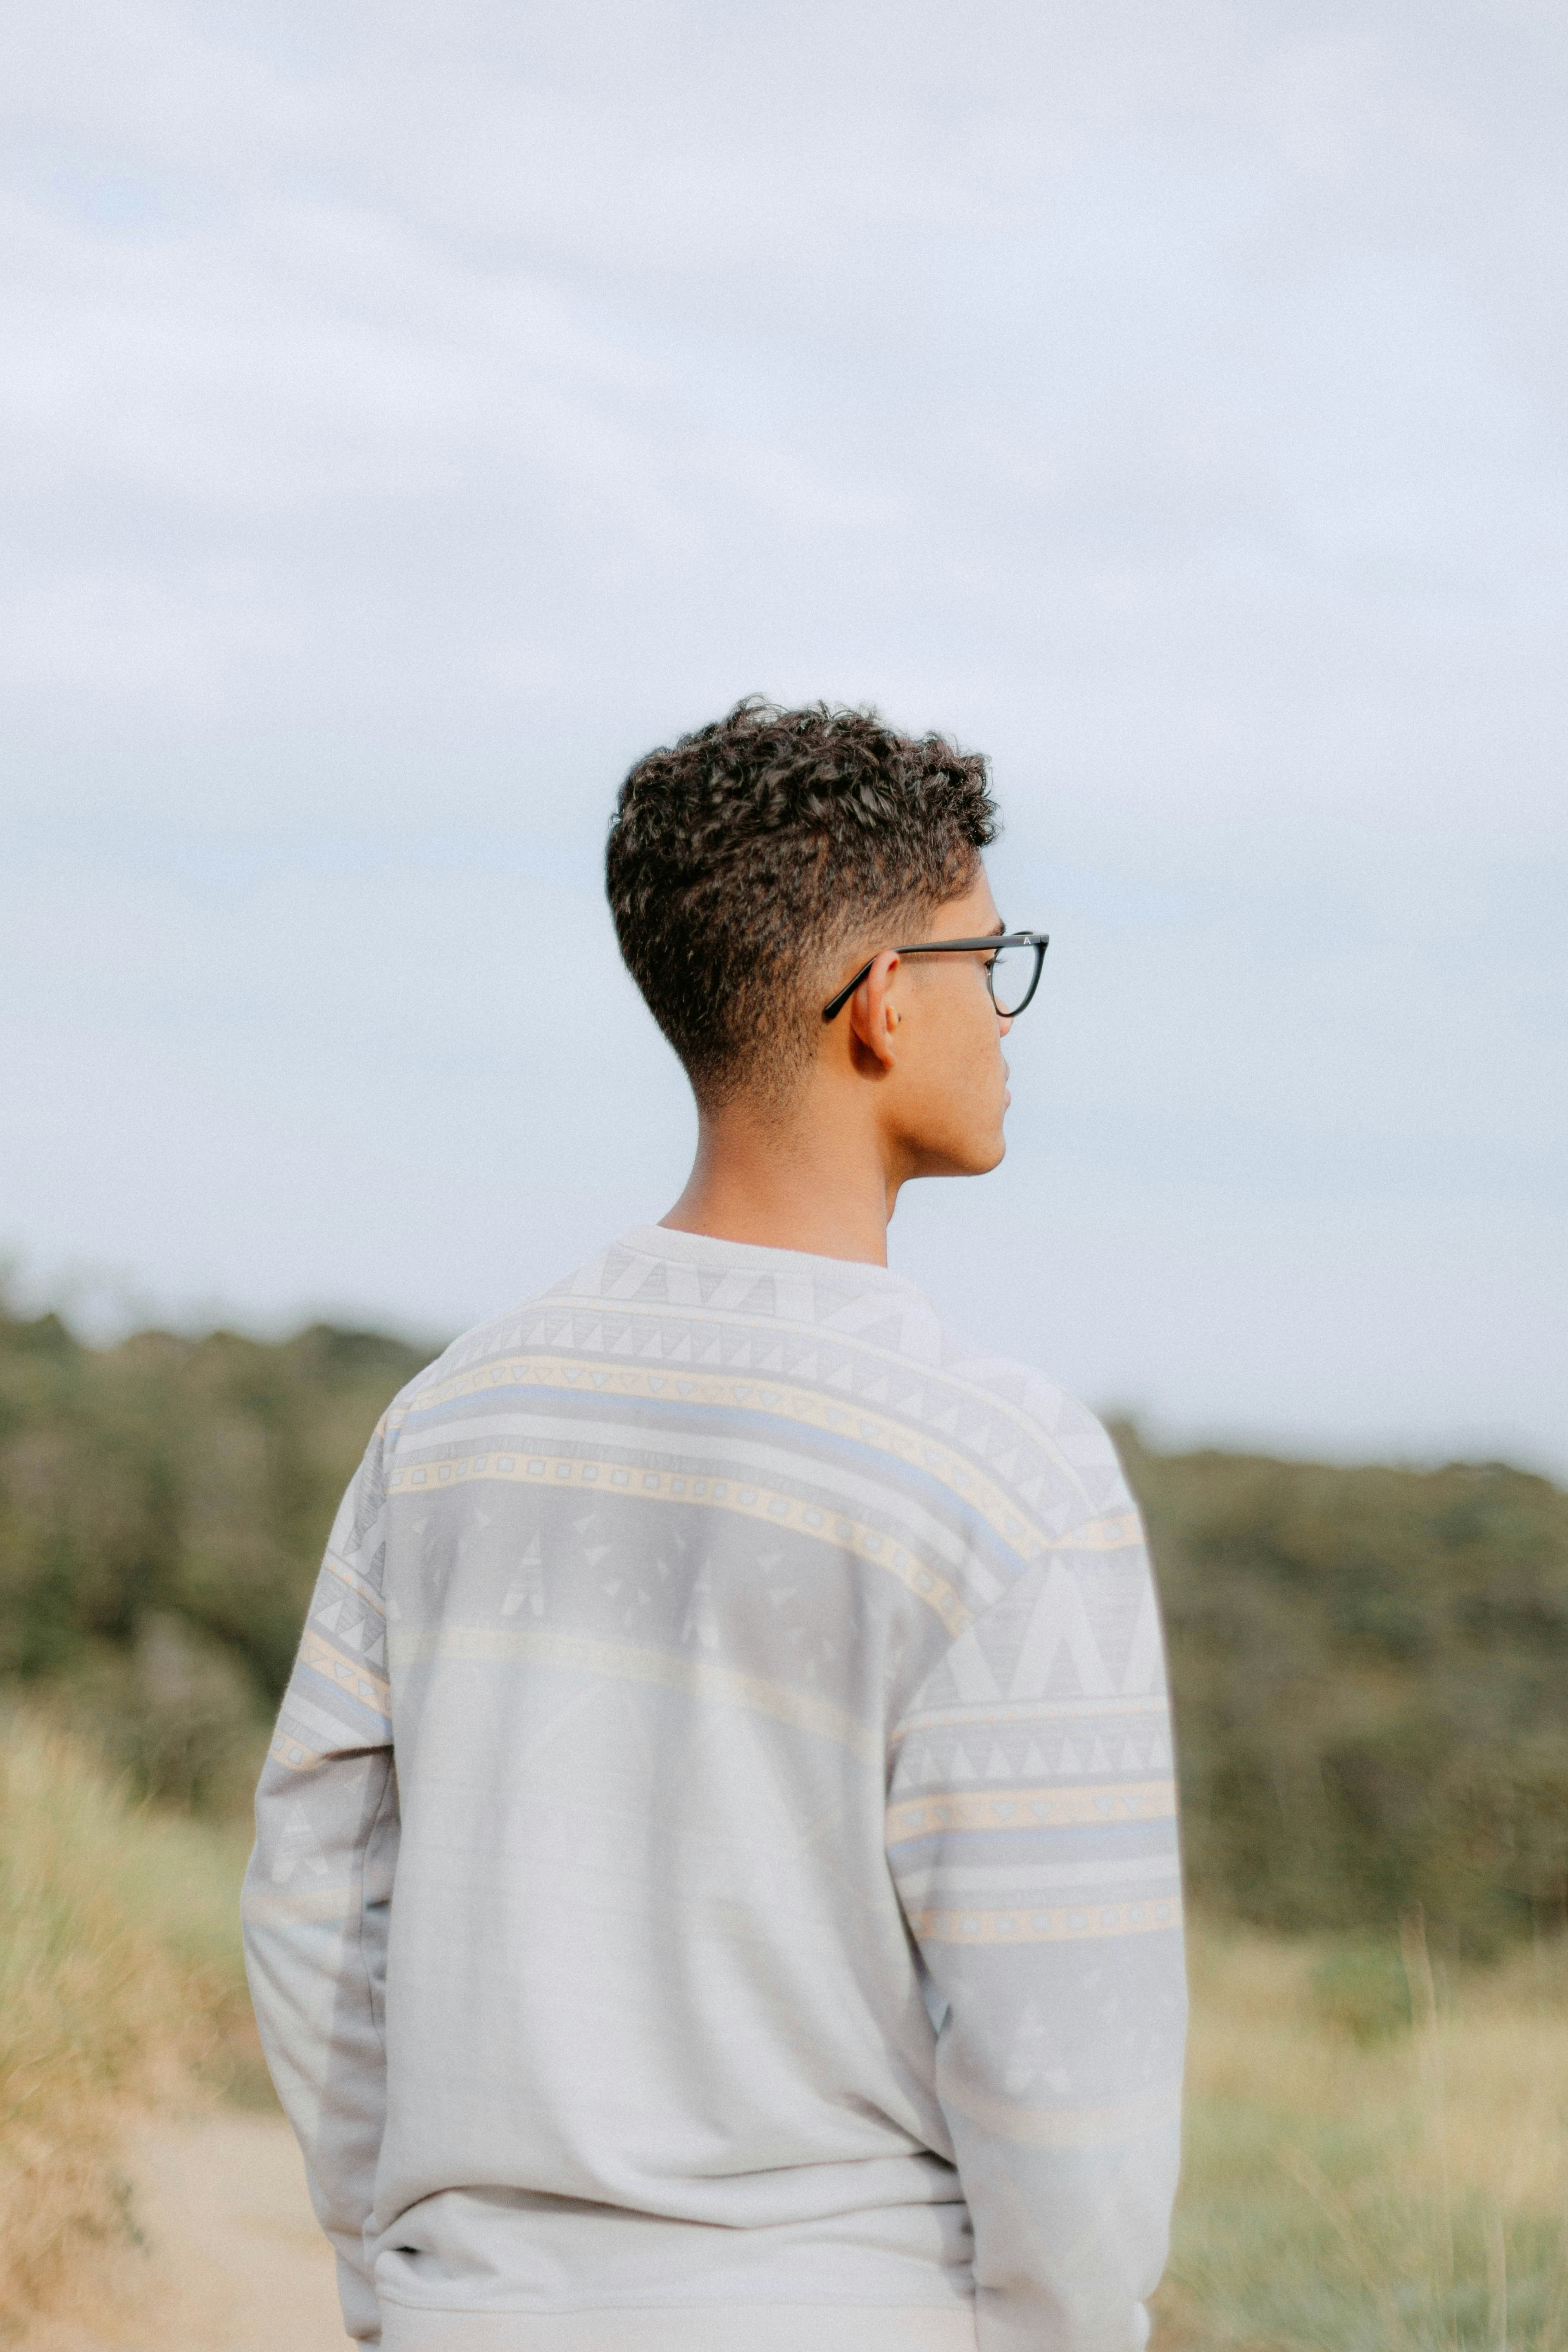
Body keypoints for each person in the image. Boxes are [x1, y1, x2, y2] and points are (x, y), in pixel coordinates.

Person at [242, 699, 1187, 2352]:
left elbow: (317, 1900)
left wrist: (401, 2278)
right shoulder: (1006, 1470)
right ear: (886, 1004)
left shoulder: (452, 1421)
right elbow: (1069, 2068)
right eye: (993, 955)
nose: (1011, 1011)